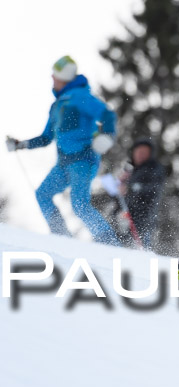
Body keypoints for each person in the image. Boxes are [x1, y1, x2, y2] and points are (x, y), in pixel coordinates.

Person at [5, 56, 120, 246]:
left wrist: (106, 136)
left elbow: (106, 114)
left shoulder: (79, 96)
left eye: (55, 76)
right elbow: (45, 138)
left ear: (63, 78)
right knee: (42, 193)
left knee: (79, 205)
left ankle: (110, 242)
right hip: (63, 164)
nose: (52, 79)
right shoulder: (56, 106)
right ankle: (62, 236)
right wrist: (21, 145)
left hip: (83, 159)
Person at [120, 138, 166, 249]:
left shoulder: (154, 168)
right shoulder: (131, 170)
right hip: (126, 216)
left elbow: (155, 188)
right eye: (138, 152)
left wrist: (130, 188)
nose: (140, 155)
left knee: (141, 248)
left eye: (144, 152)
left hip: (144, 217)